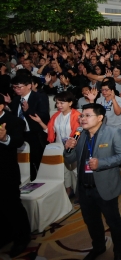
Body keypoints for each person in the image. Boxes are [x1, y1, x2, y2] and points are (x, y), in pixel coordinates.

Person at [64, 104, 121, 260]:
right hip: (84, 188)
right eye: (82, 116)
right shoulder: (80, 135)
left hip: (105, 187)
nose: (83, 119)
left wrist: (102, 163)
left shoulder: (113, 133)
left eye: (87, 115)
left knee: (114, 222)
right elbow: (70, 160)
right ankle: (98, 247)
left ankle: (119, 253)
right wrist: (68, 149)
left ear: (100, 118)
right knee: (91, 222)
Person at [30, 91, 81, 197]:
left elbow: (80, 133)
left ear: (70, 103)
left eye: (62, 103)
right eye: (57, 103)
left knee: (76, 172)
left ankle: (79, 194)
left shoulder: (78, 116)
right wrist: (40, 121)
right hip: (60, 148)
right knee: (64, 171)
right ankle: (68, 190)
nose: (59, 105)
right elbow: (49, 131)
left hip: (74, 148)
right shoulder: (56, 116)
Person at [0, 95, 31, 258]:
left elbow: (19, 142)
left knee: (12, 206)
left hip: (5, 173)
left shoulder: (14, 121)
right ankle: (6, 235)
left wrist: (4, 138)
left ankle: (22, 238)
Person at [8, 74, 50, 180]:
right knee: (26, 163)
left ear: (29, 86)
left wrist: (28, 111)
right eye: (14, 87)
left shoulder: (39, 97)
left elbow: (45, 116)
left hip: (35, 135)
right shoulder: (16, 100)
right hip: (21, 135)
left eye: (19, 87)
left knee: (38, 162)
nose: (16, 90)